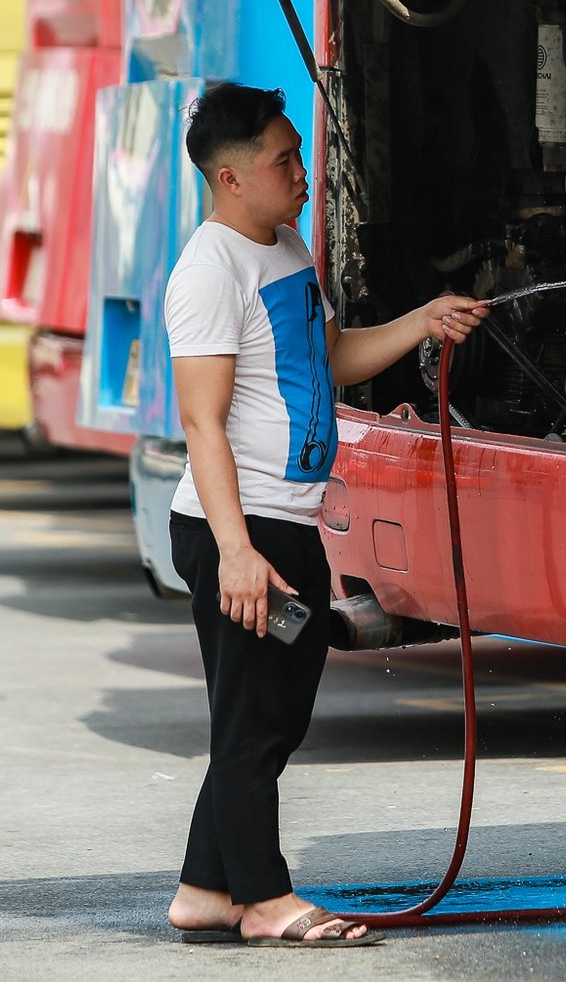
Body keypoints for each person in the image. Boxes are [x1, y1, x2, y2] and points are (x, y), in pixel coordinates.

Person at [160, 82, 487, 946]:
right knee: (254, 719)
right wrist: (235, 550)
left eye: (298, 154)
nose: (302, 173)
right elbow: (201, 421)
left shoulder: (285, 246)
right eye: (283, 160)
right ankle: (264, 899)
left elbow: (333, 356)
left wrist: (422, 321)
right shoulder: (208, 271)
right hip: (239, 527)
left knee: (271, 715)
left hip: (287, 521)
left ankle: (204, 885)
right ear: (231, 178)